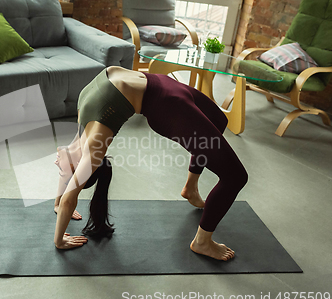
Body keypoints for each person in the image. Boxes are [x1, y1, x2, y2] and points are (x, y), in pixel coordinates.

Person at [53, 66, 248, 261]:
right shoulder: (93, 151)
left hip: (162, 83)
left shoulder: (79, 130)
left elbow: (66, 193)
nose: (55, 163)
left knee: (219, 121)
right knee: (235, 177)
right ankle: (202, 242)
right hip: (168, 106)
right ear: (76, 168)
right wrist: (59, 240)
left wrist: (57, 203)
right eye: (62, 172)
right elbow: (69, 199)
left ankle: (191, 187)